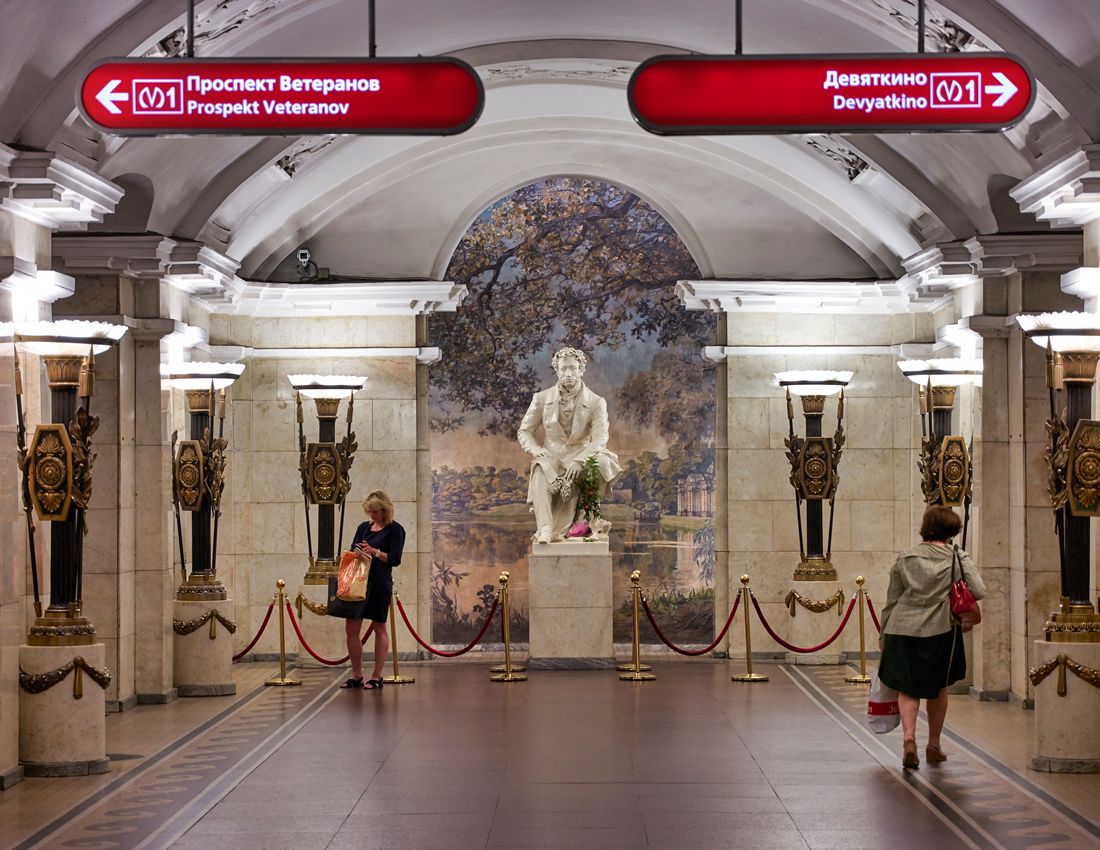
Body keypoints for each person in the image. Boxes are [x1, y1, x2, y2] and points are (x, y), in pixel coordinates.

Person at [878, 505, 985, 769]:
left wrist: (883, 635)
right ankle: (934, 745)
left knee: (907, 687)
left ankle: (909, 739)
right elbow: (979, 590)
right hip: (941, 632)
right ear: (952, 531)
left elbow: (892, 600)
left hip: (901, 628)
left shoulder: (905, 558)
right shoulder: (955, 557)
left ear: (926, 527)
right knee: (938, 688)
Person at [517, 346, 621, 544]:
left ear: (581, 370)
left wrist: (581, 460)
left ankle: (583, 522)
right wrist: (537, 450)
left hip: (581, 453)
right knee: (539, 470)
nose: (568, 373)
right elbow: (524, 431)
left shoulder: (597, 402)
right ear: (557, 370)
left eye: (573, 368)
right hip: (552, 456)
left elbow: (600, 439)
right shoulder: (541, 399)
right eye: (564, 369)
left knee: (599, 462)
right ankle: (546, 528)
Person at [342, 490, 405, 690]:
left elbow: (395, 559)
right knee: (351, 628)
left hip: (379, 582)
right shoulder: (363, 527)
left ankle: (377, 675)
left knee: (379, 627)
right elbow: (354, 550)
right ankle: (356, 673)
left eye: (375, 512)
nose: (372, 516)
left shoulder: (396, 530)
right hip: (358, 581)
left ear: (385, 510)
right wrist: (359, 552)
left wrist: (375, 552)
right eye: (369, 512)